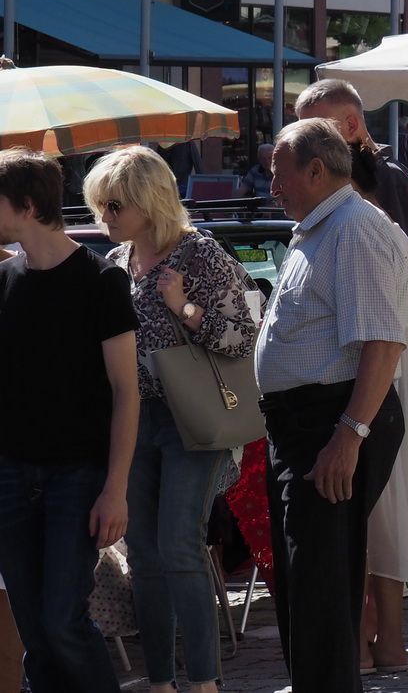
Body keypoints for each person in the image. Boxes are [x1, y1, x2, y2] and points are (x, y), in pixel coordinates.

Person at [85, 147, 258, 693]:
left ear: (147, 200)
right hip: (133, 416)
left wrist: (184, 307)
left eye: (115, 205)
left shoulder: (201, 255)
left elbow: (249, 331)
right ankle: (161, 679)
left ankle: (203, 680)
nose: (104, 217)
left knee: (180, 542)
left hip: (193, 416)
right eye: (100, 206)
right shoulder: (116, 264)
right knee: (144, 551)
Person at [256, 118, 408, 693]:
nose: (272, 185)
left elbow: (383, 341)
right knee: (308, 580)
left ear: (316, 170)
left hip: (333, 419)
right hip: (309, 422)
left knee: (322, 581)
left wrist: (349, 434)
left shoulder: (352, 228)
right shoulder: (326, 227)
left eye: (279, 172)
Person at [296, 79, 408, 675]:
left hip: (380, 369)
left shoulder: (386, 187)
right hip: (346, 372)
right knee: (356, 505)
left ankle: (388, 639)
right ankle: (361, 637)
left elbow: (407, 287)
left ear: (349, 127)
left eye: (315, 131)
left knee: (387, 504)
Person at [0, 148, 136, 693]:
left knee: (62, 619)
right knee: (35, 629)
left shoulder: (100, 280)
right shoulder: (4, 278)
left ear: (27, 206)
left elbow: (127, 391)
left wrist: (116, 489)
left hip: (76, 474)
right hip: (11, 470)